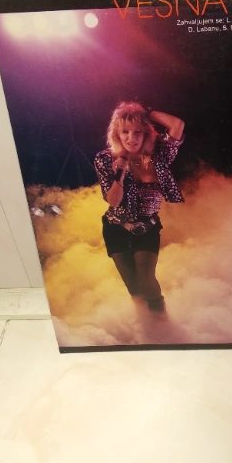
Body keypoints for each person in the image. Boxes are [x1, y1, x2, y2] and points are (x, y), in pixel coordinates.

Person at [94, 102, 185, 311]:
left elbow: (177, 125)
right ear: (117, 134)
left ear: (146, 133)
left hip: (147, 227)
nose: (131, 138)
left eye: (137, 132)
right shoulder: (105, 158)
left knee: (146, 278)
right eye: (125, 132)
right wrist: (120, 174)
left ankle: (162, 321)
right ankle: (145, 323)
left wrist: (146, 113)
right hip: (116, 228)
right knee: (133, 288)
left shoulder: (159, 155)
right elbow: (113, 201)